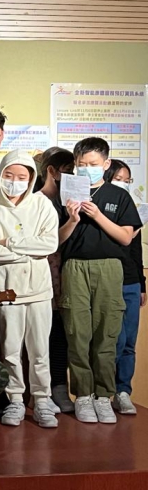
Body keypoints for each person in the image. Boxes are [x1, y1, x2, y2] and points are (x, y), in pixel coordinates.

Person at [56, 137, 142, 423]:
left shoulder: (119, 196)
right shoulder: (66, 194)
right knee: (77, 332)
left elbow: (126, 237)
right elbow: (56, 241)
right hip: (75, 267)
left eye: (93, 164)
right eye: (81, 164)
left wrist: (98, 215)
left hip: (110, 268)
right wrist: (72, 219)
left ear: (106, 164)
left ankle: (104, 395)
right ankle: (82, 395)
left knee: (107, 332)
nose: (86, 169)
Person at [0, 151, 59, 428]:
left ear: (30, 179)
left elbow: (49, 244)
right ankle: (15, 399)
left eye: (21, 177)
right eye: (9, 175)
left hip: (40, 289)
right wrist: (30, 250)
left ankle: (42, 400)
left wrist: (11, 242)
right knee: (10, 350)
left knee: (40, 350)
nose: (14, 181)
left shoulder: (43, 205)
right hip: (7, 291)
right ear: (1, 175)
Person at [104, 159, 146, 415]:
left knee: (129, 341)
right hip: (110, 280)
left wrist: (142, 284)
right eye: (118, 179)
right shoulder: (102, 208)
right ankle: (104, 392)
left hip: (131, 282)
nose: (123, 184)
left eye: (127, 180)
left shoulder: (132, 209)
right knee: (113, 341)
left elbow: (136, 251)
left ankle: (123, 392)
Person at [37, 148, 76, 413]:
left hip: (68, 272)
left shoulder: (69, 200)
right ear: (51, 171)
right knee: (44, 334)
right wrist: (72, 220)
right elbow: (50, 242)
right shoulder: (37, 201)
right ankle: (43, 392)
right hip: (44, 273)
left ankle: (60, 387)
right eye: (68, 171)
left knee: (61, 332)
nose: (72, 177)